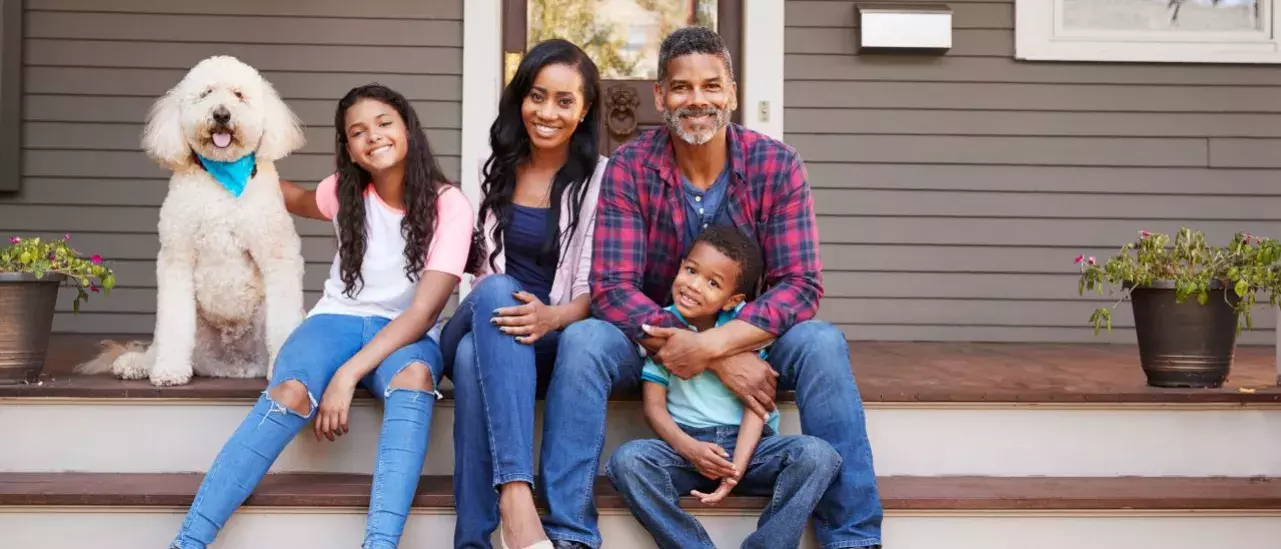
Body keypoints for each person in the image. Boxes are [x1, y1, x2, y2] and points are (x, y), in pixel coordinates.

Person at [540, 26, 884, 549]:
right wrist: (706, 353)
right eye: (680, 87)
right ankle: (570, 535)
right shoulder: (632, 167)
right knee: (583, 342)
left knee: (822, 342)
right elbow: (612, 288)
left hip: (750, 334)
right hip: (649, 338)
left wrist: (717, 344)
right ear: (660, 96)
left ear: (733, 93)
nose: (696, 100)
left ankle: (854, 537)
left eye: (711, 86)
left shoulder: (777, 164)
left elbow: (801, 284)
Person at [167, 83, 476, 549]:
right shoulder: (344, 192)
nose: (373, 136)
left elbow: (422, 311)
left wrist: (347, 376)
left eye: (384, 123)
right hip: (334, 322)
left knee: (414, 380)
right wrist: (221, 164)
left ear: (408, 128)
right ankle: (188, 541)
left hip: (406, 334)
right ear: (348, 149)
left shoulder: (449, 204)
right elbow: (291, 197)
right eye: (358, 131)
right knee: (290, 391)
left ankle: (380, 544)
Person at [438, 38, 606, 549]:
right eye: (537, 96)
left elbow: (593, 290)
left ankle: (472, 539)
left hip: (548, 335)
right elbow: (481, 274)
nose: (547, 112)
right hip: (488, 313)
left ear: (584, 111)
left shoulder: (599, 180)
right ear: (521, 99)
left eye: (564, 100)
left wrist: (552, 319)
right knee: (494, 294)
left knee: (471, 359)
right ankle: (516, 495)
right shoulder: (499, 168)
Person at [607, 225, 842, 549]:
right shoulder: (663, 326)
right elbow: (654, 408)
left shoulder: (741, 330)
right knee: (627, 461)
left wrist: (736, 469)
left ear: (732, 299)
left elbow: (755, 406)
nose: (693, 285)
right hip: (687, 448)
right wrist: (690, 448)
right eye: (690, 270)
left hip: (751, 448)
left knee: (819, 456)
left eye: (712, 282)